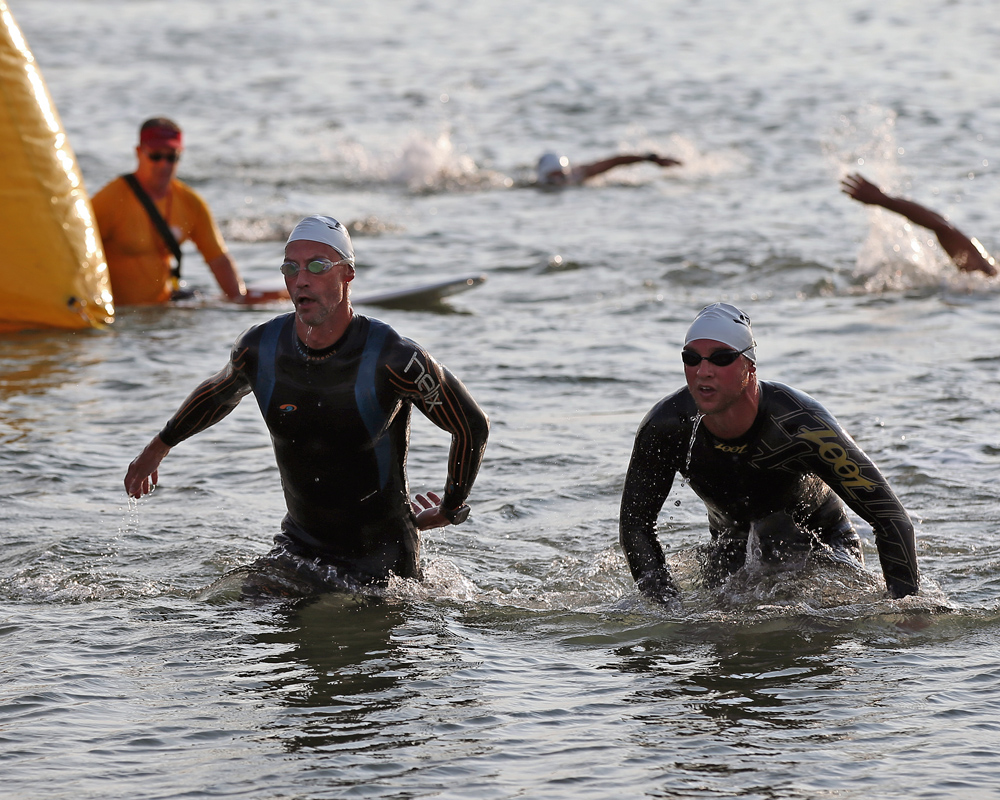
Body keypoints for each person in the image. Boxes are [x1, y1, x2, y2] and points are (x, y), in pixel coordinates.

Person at [124, 215, 490, 595]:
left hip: (381, 564)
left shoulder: (393, 359)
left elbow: (470, 425)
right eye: (290, 267)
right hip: (300, 549)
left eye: (317, 266)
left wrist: (450, 508)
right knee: (216, 615)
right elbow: (218, 393)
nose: (301, 279)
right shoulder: (261, 349)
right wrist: (159, 447)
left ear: (347, 274)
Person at [618, 302, 920, 606]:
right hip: (731, 551)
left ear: (750, 367)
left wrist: (907, 609)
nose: (703, 371)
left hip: (820, 547)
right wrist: (667, 607)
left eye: (721, 359)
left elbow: (891, 518)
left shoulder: (801, 425)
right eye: (692, 358)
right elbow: (635, 527)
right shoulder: (667, 427)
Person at [91, 117, 288, 305]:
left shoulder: (190, 203)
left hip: (163, 310)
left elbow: (218, 258)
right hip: (119, 316)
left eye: (172, 157)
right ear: (138, 152)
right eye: (156, 155)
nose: (164, 164)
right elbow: (77, 254)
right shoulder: (110, 200)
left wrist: (237, 301)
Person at [841, 172, 997, 276]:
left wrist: (884, 200)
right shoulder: (987, 276)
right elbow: (943, 228)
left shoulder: (987, 277)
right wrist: (884, 200)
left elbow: (943, 227)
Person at [536, 151, 682, 187]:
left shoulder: (578, 174)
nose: (557, 181)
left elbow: (615, 161)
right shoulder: (535, 187)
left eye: (561, 176)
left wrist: (650, 158)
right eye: (551, 178)